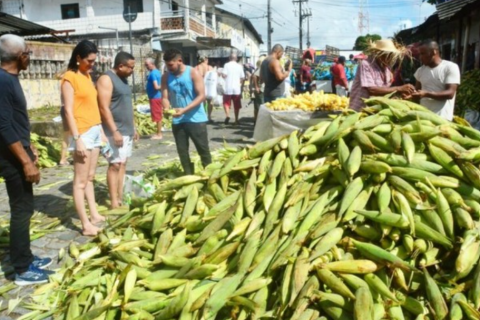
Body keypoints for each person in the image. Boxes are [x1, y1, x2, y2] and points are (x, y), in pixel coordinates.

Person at [0, 34, 54, 285]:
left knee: (26, 207)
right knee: (21, 210)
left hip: (17, 152)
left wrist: (29, 145)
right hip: (10, 159)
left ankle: (27, 256)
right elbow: (3, 126)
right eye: (28, 54)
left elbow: (15, 120)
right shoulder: (2, 81)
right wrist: (25, 161)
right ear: (20, 56)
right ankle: (21, 269)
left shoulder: (9, 78)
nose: (29, 58)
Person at [62, 40, 106, 236]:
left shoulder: (87, 75)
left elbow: (92, 105)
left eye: (94, 61)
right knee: (80, 181)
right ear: (78, 58)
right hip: (82, 132)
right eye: (89, 61)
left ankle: (94, 214)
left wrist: (102, 129)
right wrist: (77, 138)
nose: (92, 64)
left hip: (95, 129)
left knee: (90, 177)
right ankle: (85, 223)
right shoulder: (69, 79)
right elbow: (68, 111)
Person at [97, 52, 139, 209]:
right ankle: (114, 200)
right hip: (114, 130)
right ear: (120, 66)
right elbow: (103, 107)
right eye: (131, 67)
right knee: (114, 165)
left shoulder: (123, 79)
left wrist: (133, 127)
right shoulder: (106, 79)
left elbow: (126, 105)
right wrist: (114, 131)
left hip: (126, 129)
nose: (133, 70)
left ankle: (121, 196)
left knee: (123, 163)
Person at [161, 49, 212, 175]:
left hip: (196, 119)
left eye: (171, 65)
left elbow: (201, 96)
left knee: (203, 150)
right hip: (178, 120)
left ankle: (210, 175)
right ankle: (189, 175)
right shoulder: (166, 76)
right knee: (182, 152)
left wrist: (184, 110)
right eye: (167, 65)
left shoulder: (193, 72)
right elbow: (164, 97)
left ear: (179, 61)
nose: (169, 68)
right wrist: (166, 108)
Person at [349, 39, 415, 111]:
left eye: (391, 55)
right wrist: (399, 88)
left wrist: (398, 94)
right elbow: (372, 90)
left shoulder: (386, 68)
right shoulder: (366, 64)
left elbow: (386, 89)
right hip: (360, 109)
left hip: (375, 109)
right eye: (388, 55)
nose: (390, 58)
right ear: (379, 53)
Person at [412, 40, 461, 121]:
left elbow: (450, 93)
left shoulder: (450, 67)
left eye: (422, 53)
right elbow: (417, 91)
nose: (420, 57)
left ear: (433, 52)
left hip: (442, 118)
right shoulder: (420, 71)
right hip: (424, 118)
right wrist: (410, 95)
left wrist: (426, 94)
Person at [221, 53, 245, 125]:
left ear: (229, 58)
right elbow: (242, 77)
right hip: (236, 88)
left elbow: (224, 75)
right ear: (236, 58)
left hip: (228, 87)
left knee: (226, 103)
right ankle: (236, 120)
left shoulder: (226, 65)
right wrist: (240, 83)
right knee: (236, 105)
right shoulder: (239, 66)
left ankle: (227, 115)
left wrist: (222, 76)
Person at [145, 57, 163, 140]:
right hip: (155, 97)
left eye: (147, 65)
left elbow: (156, 86)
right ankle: (158, 133)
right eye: (145, 65)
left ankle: (159, 134)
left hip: (155, 97)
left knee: (157, 115)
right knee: (157, 115)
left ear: (152, 64)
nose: (146, 66)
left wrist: (163, 87)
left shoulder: (153, 74)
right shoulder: (157, 72)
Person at [203, 59, 218, 124]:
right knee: (210, 102)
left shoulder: (197, 67)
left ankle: (203, 116)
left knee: (202, 103)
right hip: (209, 88)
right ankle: (209, 117)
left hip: (201, 87)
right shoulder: (210, 68)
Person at [252, 57, 265, 122]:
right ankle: (258, 121)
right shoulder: (261, 69)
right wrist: (256, 86)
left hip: (260, 90)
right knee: (260, 106)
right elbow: (255, 76)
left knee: (258, 106)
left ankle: (256, 120)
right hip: (261, 90)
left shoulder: (259, 69)